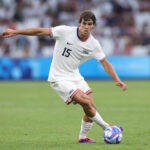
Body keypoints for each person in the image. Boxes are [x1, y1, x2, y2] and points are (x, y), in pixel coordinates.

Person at [1, 10, 127, 143]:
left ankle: (82, 138)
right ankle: (108, 127)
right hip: (58, 77)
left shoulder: (93, 44)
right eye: (84, 23)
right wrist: (16, 32)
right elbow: (39, 31)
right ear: (79, 23)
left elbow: (106, 63)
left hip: (74, 75)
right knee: (86, 102)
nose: (86, 27)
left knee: (91, 108)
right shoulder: (65, 31)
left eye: (89, 24)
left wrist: (117, 80)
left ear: (93, 26)